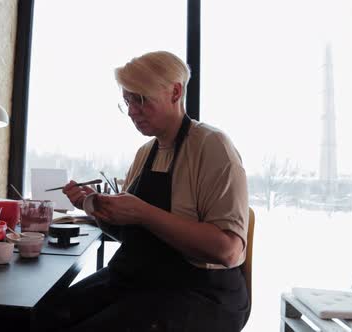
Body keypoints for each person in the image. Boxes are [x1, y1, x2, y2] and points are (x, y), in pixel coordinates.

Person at [45, 51, 250, 332]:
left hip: (200, 292)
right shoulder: (145, 153)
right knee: (47, 314)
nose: (131, 111)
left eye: (140, 99)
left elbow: (227, 251)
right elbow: (136, 237)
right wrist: (95, 209)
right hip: (141, 278)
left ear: (175, 92)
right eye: (127, 101)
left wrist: (142, 212)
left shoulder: (212, 146)